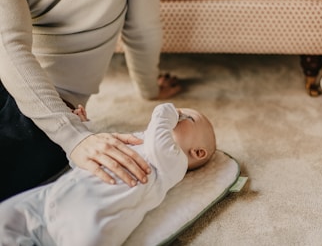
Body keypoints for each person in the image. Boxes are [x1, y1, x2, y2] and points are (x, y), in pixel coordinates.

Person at [0, 0, 182, 201]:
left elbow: (142, 31)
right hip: (45, 112)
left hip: (42, 115)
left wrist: (72, 135)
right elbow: (8, 47)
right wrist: (74, 136)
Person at [0, 103, 216, 246]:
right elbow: (92, 159)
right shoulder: (141, 140)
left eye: (188, 117)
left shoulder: (174, 162)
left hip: (89, 218)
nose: (178, 115)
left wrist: (169, 110)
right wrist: (83, 132)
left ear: (197, 152)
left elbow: (160, 128)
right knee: (5, 216)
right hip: (52, 198)